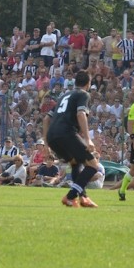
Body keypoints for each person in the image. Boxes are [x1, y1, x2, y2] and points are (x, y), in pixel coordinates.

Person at [42, 70, 101, 208]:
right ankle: (70, 196)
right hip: (66, 133)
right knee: (93, 165)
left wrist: (46, 143)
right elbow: (81, 114)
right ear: (88, 83)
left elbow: (46, 119)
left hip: (52, 136)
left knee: (75, 163)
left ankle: (83, 197)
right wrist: (88, 139)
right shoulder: (83, 94)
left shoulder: (64, 95)